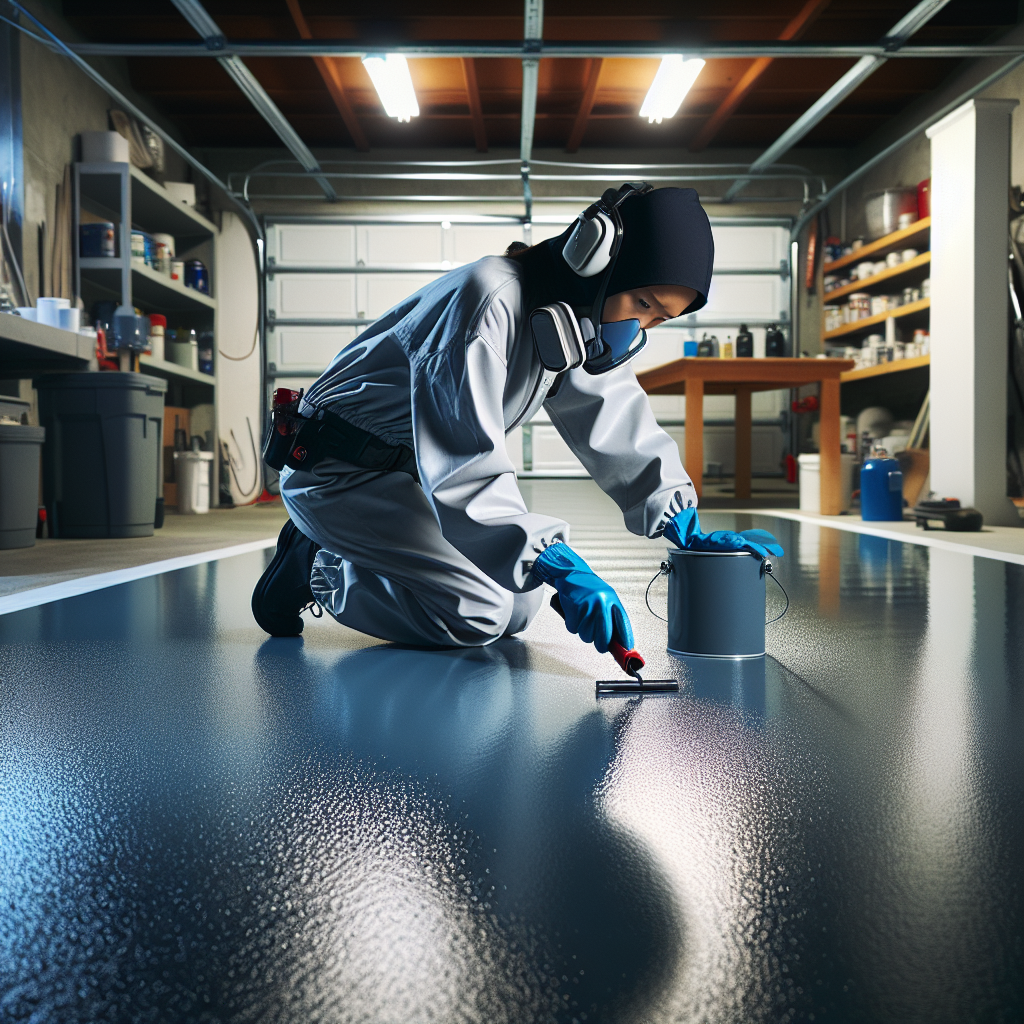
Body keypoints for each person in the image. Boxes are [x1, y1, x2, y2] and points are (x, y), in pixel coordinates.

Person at [252, 184, 714, 652]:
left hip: (405, 476)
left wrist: (678, 516)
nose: (639, 328)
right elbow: (464, 464)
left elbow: (613, 418)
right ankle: (317, 564)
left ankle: (355, 550)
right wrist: (555, 560)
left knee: (519, 602)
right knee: (479, 613)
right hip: (337, 473)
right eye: (643, 303)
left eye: (660, 319)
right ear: (593, 253)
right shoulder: (487, 301)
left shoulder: (573, 321)